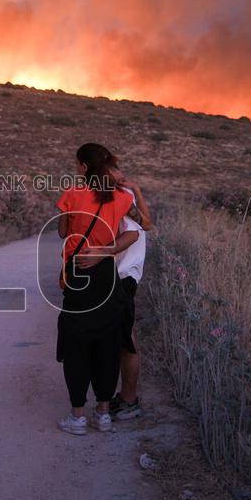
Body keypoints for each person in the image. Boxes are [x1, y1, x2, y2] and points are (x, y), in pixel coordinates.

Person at [54, 143, 138, 435]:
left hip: (79, 270)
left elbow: (63, 232)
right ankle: (103, 413)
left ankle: (77, 417)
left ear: (83, 166)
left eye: (76, 163)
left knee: (76, 344)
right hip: (106, 271)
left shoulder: (72, 194)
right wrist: (107, 249)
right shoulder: (121, 197)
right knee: (107, 342)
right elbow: (138, 228)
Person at [107, 163, 152, 420]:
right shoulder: (125, 195)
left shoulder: (122, 197)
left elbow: (144, 226)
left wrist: (135, 189)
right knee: (121, 334)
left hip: (124, 273)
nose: (122, 180)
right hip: (124, 271)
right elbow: (147, 224)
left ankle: (129, 400)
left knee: (126, 337)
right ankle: (123, 397)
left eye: (122, 177)